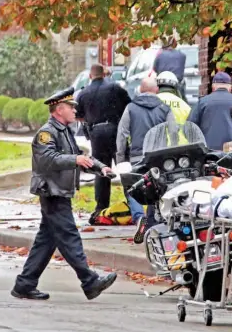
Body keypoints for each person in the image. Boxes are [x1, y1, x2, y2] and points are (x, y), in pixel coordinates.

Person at [12, 87, 118, 301]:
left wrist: (101, 168)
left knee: (46, 240)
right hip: (52, 192)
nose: (74, 111)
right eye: (71, 107)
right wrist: (75, 160)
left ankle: (25, 284)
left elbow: (79, 156)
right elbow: (48, 159)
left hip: (60, 191)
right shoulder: (46, 133)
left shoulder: (64, 131)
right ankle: (90, 281)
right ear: (59, 109)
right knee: (69, 237)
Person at [116, 77, 176, 241]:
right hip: (158, 157)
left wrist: (121, 157)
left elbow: (122, 134)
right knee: (155, 188)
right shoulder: (165, 109)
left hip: (137, 156)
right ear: (156, 90)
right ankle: (150, 223)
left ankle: (138, 216)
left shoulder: (131, 108)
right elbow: (173, 132)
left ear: (141, 90)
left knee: (132, 187)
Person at [75, 64, 131, 215]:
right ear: (104, 74)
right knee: (124, 166)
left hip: (96, 133)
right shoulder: (115, 88)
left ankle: (101, 207)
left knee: (101, 169)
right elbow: (128, 107)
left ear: (90, 76)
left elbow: (77, 115)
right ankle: (132, 201)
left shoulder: (83, 93)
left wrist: (89, 119)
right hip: (115, 131)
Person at [186, 72, 232, 153]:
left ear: (213, 87)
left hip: (208, 153)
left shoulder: (202, 102)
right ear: (230, 88)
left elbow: (189, 127)